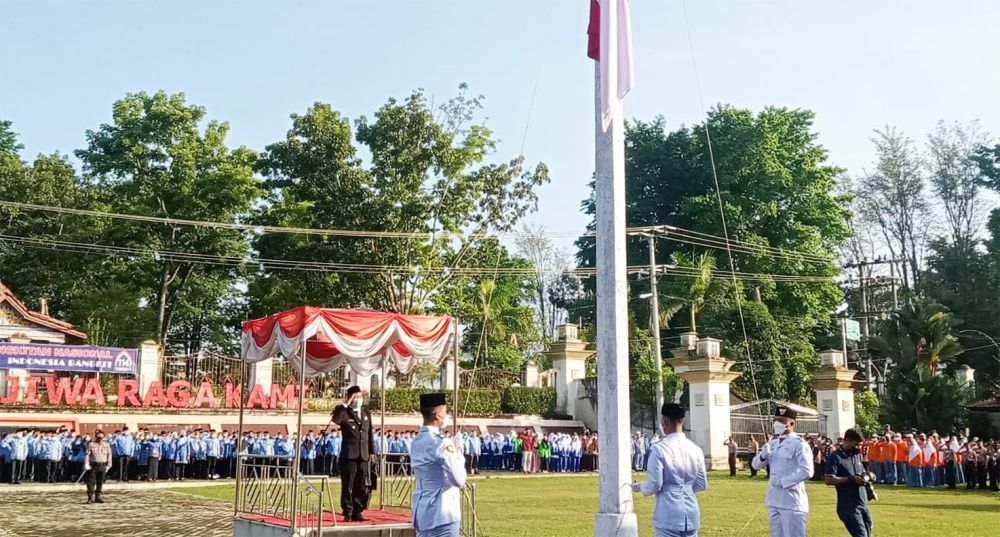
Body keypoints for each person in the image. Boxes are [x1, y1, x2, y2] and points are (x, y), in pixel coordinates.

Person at [632, 403, 708, 537]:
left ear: (665, 422)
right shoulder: (696, 449)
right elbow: (702, 484)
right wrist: (685, 490)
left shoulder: (659, 448)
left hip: (668, 512)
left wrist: (639, 486)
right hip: (691, 511)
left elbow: (655, 484)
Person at [411, 392, 467, 537]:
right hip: (442, 510)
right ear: (437, 414)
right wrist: (458, 453)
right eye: (445, 411)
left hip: (422, 508)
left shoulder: (417, 440)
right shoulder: (441, 441)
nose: (447, 415)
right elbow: (459, 479)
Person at [751, 406, 813, 537]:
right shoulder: (773, 443)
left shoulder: (799, 444)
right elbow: (755, 465)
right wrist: (763, 455)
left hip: (791, 501)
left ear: (792, 423)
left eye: (781, 421)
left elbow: (807, 471)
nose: (777, 424)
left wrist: (783, 482)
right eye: (775, 420)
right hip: (774, 499)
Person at [331, 385, 375, 522]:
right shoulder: (344, 412)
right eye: (356, 397)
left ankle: (358, 511)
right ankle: (348, 511)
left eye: (360, 396)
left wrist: (371, 451)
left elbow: (369, 434)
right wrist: (346, 403)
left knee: (361, 485)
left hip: (363, 454)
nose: (359, 399)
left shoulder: (366, 412)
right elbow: (336, 420)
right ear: (350, 397)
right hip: (349, 455)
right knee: (348, 484)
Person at [825, 429, 875, 537]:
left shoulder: (856, 455)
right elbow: (829, 480)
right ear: (847, 440)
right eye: (856, 444)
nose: (858, 447)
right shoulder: (835, 457)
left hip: (863, 503)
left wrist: (869, 476)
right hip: (848, 506)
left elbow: (861, 472)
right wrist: (852, 480)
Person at [85, 430, 112, 504]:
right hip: (93, 465)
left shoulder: (106, 445)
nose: (100, 439)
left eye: (101, 438)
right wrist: (86, 464)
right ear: (96, 437)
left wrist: (109, 465)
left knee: (100, 481)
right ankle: (90, 497)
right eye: (98, 437)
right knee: (91, 482)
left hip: (103, 465)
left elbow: (109, 455)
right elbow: (87, 454)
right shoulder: (91, 444)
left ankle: (98, 497)